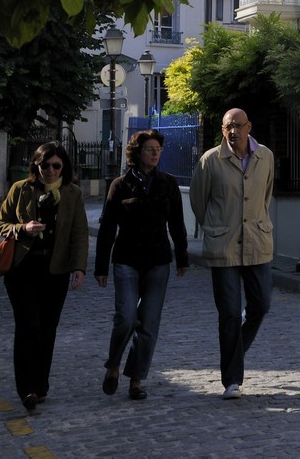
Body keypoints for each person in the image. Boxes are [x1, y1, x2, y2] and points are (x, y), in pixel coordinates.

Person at [0, 141, 88, 412]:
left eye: (56, 166)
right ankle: (27, 389)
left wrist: (79, 267)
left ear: (64, 168)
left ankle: (41, 385)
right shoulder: (20, 189)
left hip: (55, 271)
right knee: (28, 328)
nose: (50, 170)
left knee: (47, 329)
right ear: (36, 165)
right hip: (22, 270)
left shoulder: (73, 194)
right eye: (44, 165)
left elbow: (79, 234)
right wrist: (23, 228)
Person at [94, 129, 188, 401]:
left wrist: (182, 256)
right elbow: (108, 227)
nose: (155, 153)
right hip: (127, 259)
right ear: (137, 153)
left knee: (148, 323)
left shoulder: (168, 183)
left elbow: (177, 224)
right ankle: (113, 363)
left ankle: (136, 379)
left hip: (158, 261)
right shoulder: (120, 185)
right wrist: (101, 266)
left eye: (158, 148)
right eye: (150, 148)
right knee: (125, 317)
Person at [189, 107, 274, 400]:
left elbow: (266, 195)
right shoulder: (210, 160)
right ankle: (232, 380)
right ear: (222, 130)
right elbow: (199, 202)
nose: (233, 131)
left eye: (238, 125)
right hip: (223, 245)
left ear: (248, 127)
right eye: (228, 126)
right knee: (228, 313)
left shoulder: (265, 156)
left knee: (261, 305)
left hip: (257, 243)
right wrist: (216, 227)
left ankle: (234, 350)